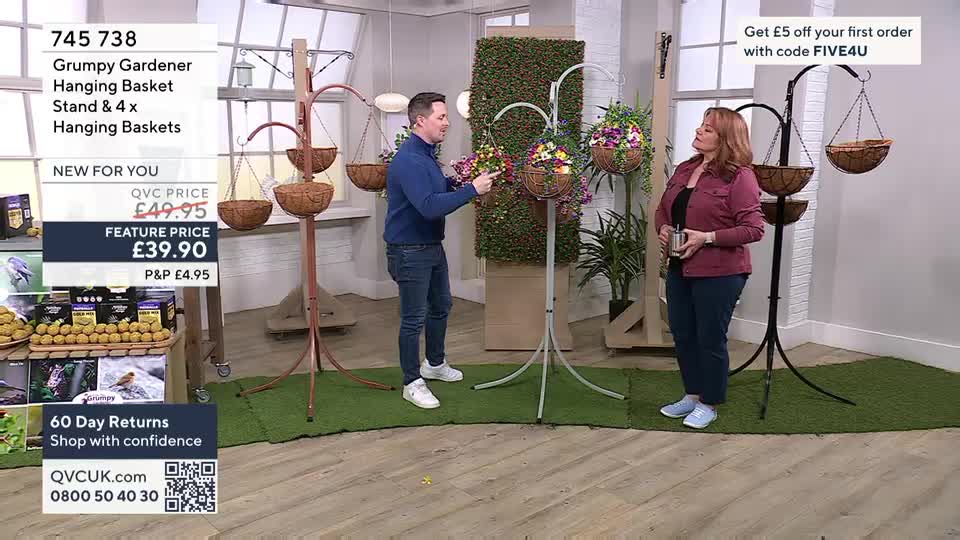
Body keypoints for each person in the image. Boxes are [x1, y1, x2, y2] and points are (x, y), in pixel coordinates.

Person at [384, 92, 499, 409]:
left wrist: (460, 181)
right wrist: (471, 190)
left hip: (430, 247)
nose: (448, 122)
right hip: (408, 251)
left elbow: (437, 190)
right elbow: (428, 207)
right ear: (420, 121)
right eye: (442, 117)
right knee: (413, 319)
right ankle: (411, 382)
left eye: (447, 117)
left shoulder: (427, 157)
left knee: (441, 306)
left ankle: (433, 364)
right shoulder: (408, 160)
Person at [654, 107, 764, 429]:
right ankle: (691, 394)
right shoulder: (684, 168)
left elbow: (754, 229)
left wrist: (708, 238)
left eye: (709, 129)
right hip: (679, 267)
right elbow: (663, 209)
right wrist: (662, 228)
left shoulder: (740, 176)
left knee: (709, 337)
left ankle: (709, 402)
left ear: (726, 139)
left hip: (721, 272)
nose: (699, 131)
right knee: (683, 333)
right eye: (701, 125)